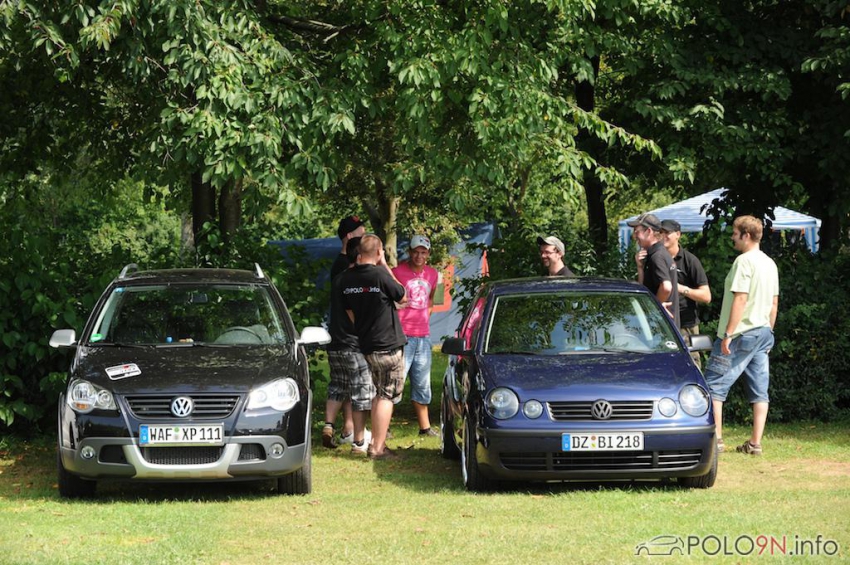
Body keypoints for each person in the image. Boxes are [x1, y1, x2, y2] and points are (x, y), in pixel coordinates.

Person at [703, 215, 779, 456]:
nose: (732, 238)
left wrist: (728, 334)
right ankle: (755, 443)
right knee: (760, 390)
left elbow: (741, 298)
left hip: (741, 333)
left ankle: (716, 440)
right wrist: (769, 331)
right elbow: (774, 303)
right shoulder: (769, 263)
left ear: (746, 235)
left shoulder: (743, 261)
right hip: (763, 332)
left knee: (714, 385)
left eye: (735, 234)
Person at [340, 234, 407, 460]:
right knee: (387, 395)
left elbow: (350, 313)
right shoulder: (380, 274)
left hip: (367, 344)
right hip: (388, 345)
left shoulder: (346, 279)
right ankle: (378, 448)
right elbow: (402, 296)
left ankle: (376, 443)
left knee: (379, 392)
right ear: (379, 252)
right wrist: (385, 265)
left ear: (359, 253)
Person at [324, 237, 374, 454]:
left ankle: (328, 425)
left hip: (335, 341)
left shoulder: (339, 279)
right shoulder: (357, 281)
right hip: (354, 343)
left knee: (337, 385)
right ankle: (358, 441)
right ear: (360, 254)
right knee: (361, 390)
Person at [393, 235, 440, 437]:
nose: (419, 256)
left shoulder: (433, 274)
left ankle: (425, 428)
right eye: (416, 252)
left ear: (428, 254)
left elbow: (431, 299)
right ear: (409, 252)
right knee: (395, 382)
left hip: (423, 336)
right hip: (401, 336)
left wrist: (424, 317)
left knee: (422, 382)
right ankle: (384, 427)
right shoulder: (397, 272)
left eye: (423, 252)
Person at [660, 219, 711, 368]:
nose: (663, 236)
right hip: (661, 323)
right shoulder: (656, 258)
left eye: (667, 233)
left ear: (678, 234)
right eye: (660, 232)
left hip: (685, 324)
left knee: (690, 365)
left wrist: (680, 288)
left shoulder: (690, 261)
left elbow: (706, 296)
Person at [629, 213, 680, 328]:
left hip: (661, 327)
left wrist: (655, 307)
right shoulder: (657, 253)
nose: (635, 236)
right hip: (663, 326)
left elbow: (666, 287)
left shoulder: (657, 256)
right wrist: (640, 268)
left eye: (637, 232)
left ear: (649, 231)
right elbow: (644, 288)